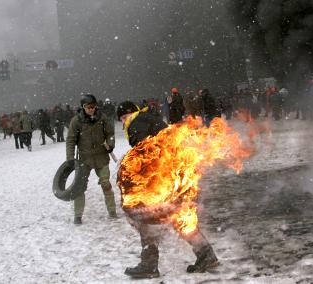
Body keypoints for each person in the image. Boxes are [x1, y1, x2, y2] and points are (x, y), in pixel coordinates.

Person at [116, 101, 219, 279]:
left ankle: (149, 265)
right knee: (179, 216)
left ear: (131, 114)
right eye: (122, 120)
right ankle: (206, 254)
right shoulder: (149, 118)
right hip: (176, 175)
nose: (124, 122)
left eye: (124, 118)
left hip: (162, 180)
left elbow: (147, 157)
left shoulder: (136, 124)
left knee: (144, 219)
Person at [66, 94, 117, 225]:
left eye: (93, 107)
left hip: (101, 157)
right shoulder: (76, 121)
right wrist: (70, 158)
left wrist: (110, 145)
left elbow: (110, 133)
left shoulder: (102, 118)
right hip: (84, 159)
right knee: (79, 187)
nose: (91, 109)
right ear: (83, 107)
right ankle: (78, 215)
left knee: (106, 183)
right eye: (89, 107)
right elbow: (71, 140)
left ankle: (112, 211)